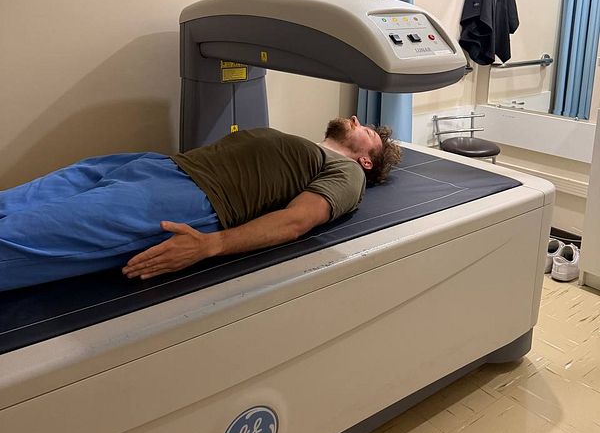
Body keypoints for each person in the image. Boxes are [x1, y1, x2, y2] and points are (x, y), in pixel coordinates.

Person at [0, 116, 400, 292]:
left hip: (185, 197)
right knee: (9, 204)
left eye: (365, 129)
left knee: (17, 239)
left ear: (367, 160)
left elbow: (296, 221)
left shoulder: (348, 175)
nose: (354, 118)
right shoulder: (309, 145)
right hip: (154, 165)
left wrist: (212, 245)